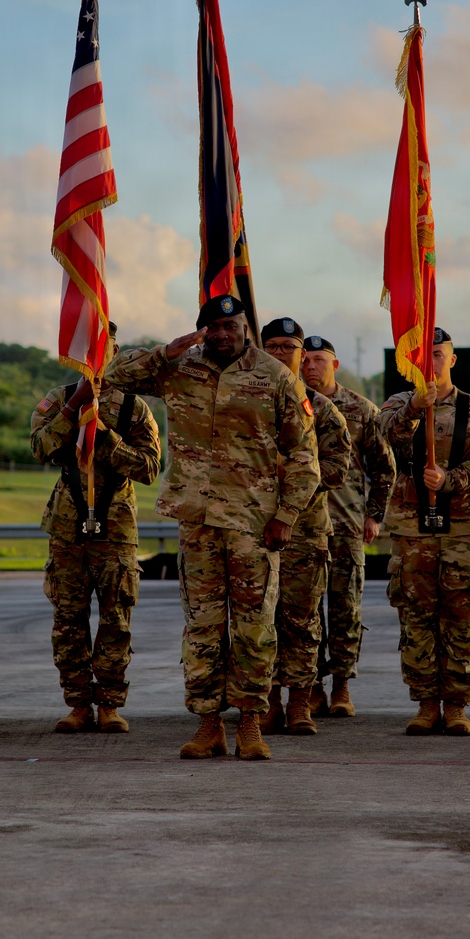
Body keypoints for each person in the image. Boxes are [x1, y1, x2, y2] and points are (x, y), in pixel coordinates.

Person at [106, 295, 319, 761]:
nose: (224, 334)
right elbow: (111, 374)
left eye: (232, 326)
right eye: (214, 327)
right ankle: (207, 725)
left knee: (255, 629)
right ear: (202, 330)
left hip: (253, 523)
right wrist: (167, 350)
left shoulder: (276, 377)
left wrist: (286, 517)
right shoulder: (179, 367)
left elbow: (304, 456)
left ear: (247, 328)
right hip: (197, 521)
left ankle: (249, 723)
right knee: (201, 627)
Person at [30, 322, 161, 734]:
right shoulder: (60, 399)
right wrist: (75, 409)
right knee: (68, 621)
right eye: (87, 350)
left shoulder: (133, 408)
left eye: (102, 349)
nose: (94, 358)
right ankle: (78, 704)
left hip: (115, 527)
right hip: (68, 526)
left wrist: (105, 436)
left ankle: (109, 703)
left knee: (115, 619)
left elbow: (149, 468)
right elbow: (41, 447)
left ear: (115, 352)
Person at [379, 327, 470, 736]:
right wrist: (415, 406)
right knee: (416, 620)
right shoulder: (398, 404)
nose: (429, 362)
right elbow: (383, 442)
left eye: (437, 354)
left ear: (452, 360)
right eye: (421, 355)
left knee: (462, 618)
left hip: (463, 531)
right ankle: (426, 703)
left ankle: (456, 705)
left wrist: (449, 479)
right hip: (413, 532)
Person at [258, 319, 350, 736]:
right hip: (253, 528)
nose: (281, 355)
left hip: (305, 529)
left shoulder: (321, 408)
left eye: (289, 348)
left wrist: (294, 474)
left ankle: (300, 703)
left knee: (301, 621)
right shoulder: (246, 401)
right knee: (260, 621)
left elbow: (337, 468)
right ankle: (268, 702)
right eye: (272, 347)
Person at [302, 334, 395, 719]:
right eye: (304, 359)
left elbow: (384, 466)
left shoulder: (360, 409)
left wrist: (374, 515)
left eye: (319, 359)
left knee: (345, 609)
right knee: (304, 612)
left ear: (334, 365)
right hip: (301, 525)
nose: (310, 365)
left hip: (345, 525)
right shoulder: (286, 403)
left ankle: (341, 685)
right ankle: (310, 687)